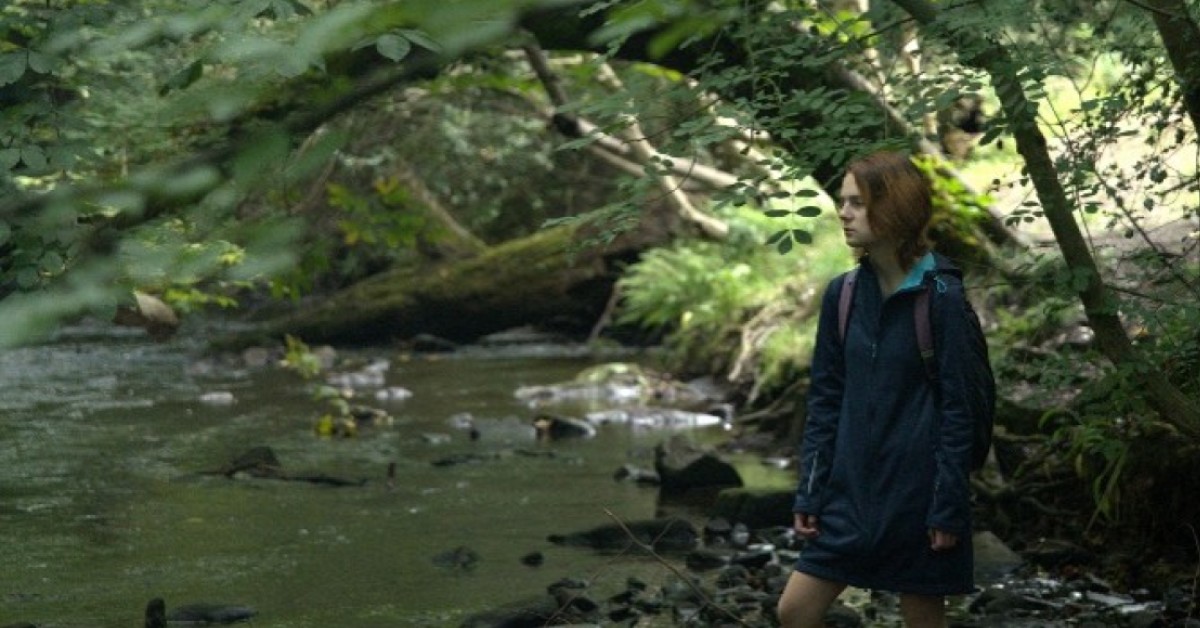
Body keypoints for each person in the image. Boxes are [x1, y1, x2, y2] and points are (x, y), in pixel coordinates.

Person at [777, 151, 991, 628]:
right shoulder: (844, 294)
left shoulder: (942, 297)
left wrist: (948, 506)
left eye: (857, 203)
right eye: (842, 202)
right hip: (846, 497)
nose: (843, 213)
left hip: (918, 503)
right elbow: (825, 401)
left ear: (895, 207)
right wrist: (809, 495)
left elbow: (960, 411)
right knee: (794, 612)